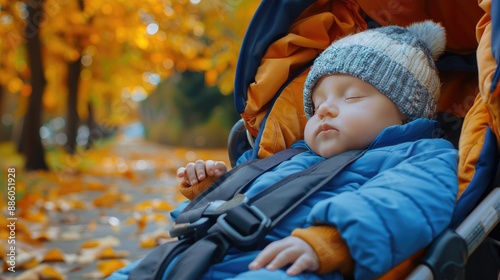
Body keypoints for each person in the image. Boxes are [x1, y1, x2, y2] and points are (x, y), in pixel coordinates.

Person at [109, 21, 458, 280]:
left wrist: (330, 241)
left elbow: (404, 203)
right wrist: (210, 187)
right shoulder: (291, 155)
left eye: (351, 97)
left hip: (294, 262)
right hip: (204, 252)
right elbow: (244, 193)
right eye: (317, 103)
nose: (325, 109)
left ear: (406, 110)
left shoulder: (421, 155)